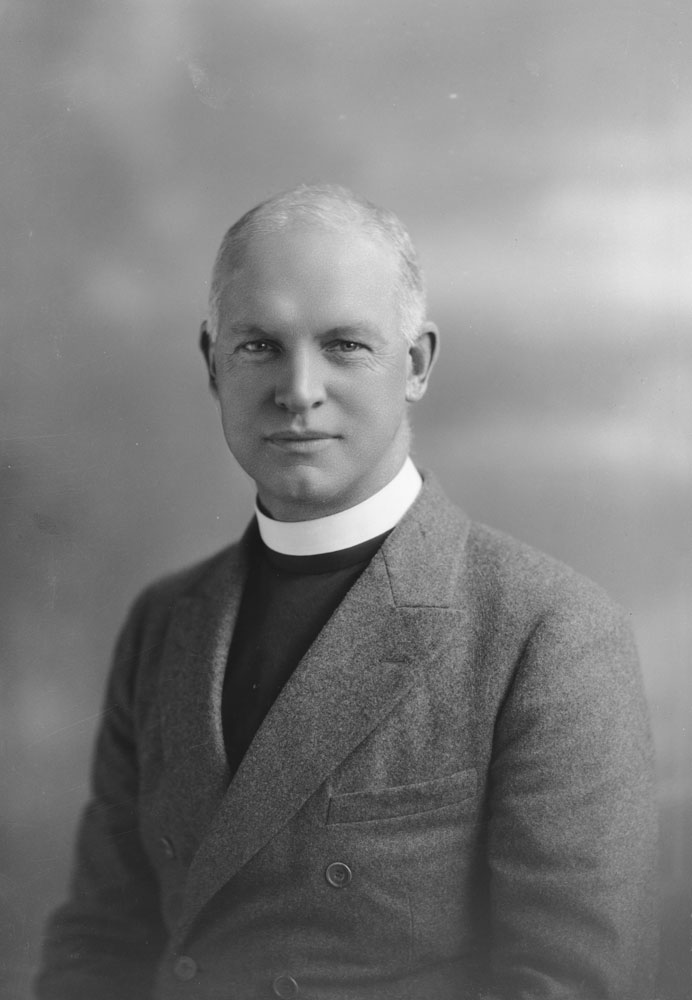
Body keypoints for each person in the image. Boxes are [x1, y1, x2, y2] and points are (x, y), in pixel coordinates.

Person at [36, 184, 658, 999]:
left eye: (343, 345)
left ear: (418, 364)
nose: (298, 389)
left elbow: (569, 984)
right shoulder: (164, 622)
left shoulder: (549, 632)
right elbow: (100, 941)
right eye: (258, 345)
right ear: (211, 363)